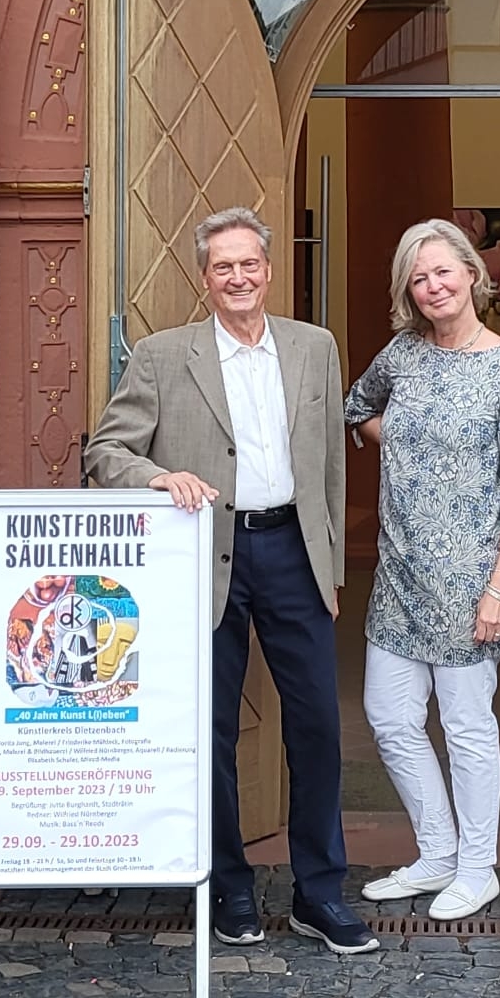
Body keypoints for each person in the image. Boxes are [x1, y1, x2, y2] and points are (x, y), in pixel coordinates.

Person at [84, 207, 378, 956]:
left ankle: (319, 892)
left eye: (250, 264)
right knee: (208, 728)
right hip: (203, 558)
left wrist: (331, 566)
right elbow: (105, 452)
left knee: (316, 726)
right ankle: (228, 884)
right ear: (203, 278)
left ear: (269, 270)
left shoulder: (315, 347)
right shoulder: (160, 355)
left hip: (292, 554)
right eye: (224, 267)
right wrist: (158, 477)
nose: (239, 277)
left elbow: (330, 470)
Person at [345, 219, 500, 921]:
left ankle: (477, 867)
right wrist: (400, 444)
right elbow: (358, 406)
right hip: (401, 574)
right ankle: (436, 852)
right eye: (418, 277)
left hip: (475, 582)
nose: (433, 286)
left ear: (472, 273)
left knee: (467, 726)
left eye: (443, 271)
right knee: (390, 718)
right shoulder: (403, 355)